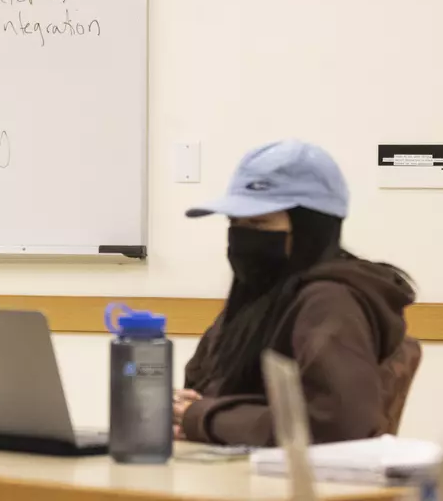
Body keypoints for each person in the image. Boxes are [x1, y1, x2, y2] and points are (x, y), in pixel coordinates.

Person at [173, 140, 418, 447]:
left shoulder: (330, 301)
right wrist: (183, 409)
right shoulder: (255, 299)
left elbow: (336, 424)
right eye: (234, 223)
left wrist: (205, 417)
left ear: (310, 228)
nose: (243, 237)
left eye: (259, 222)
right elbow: (203, 387)